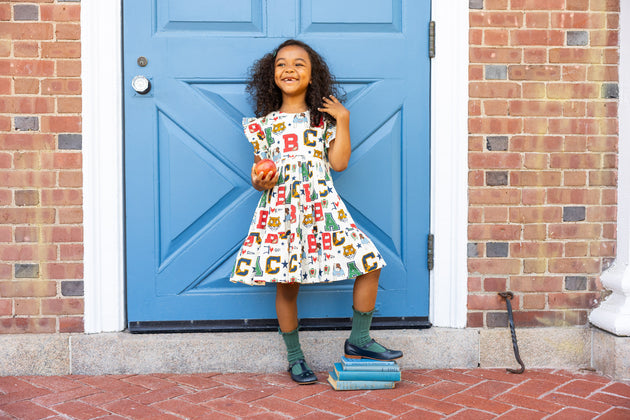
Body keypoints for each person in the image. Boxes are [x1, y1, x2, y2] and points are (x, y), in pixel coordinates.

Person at [230, 39, 402, 384]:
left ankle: (359, 339)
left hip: (323, 209)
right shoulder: (262, 125)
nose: (289, 70)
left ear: (312, 76)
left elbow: (338, 163)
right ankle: (295, 357)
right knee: (288, 283)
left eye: (298, 64)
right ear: (271, 74)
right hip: (281, 213)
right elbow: (259, 174)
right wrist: (260, 181)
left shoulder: (322, 121)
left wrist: (344, 119)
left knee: (369, 264)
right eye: (281, 64)